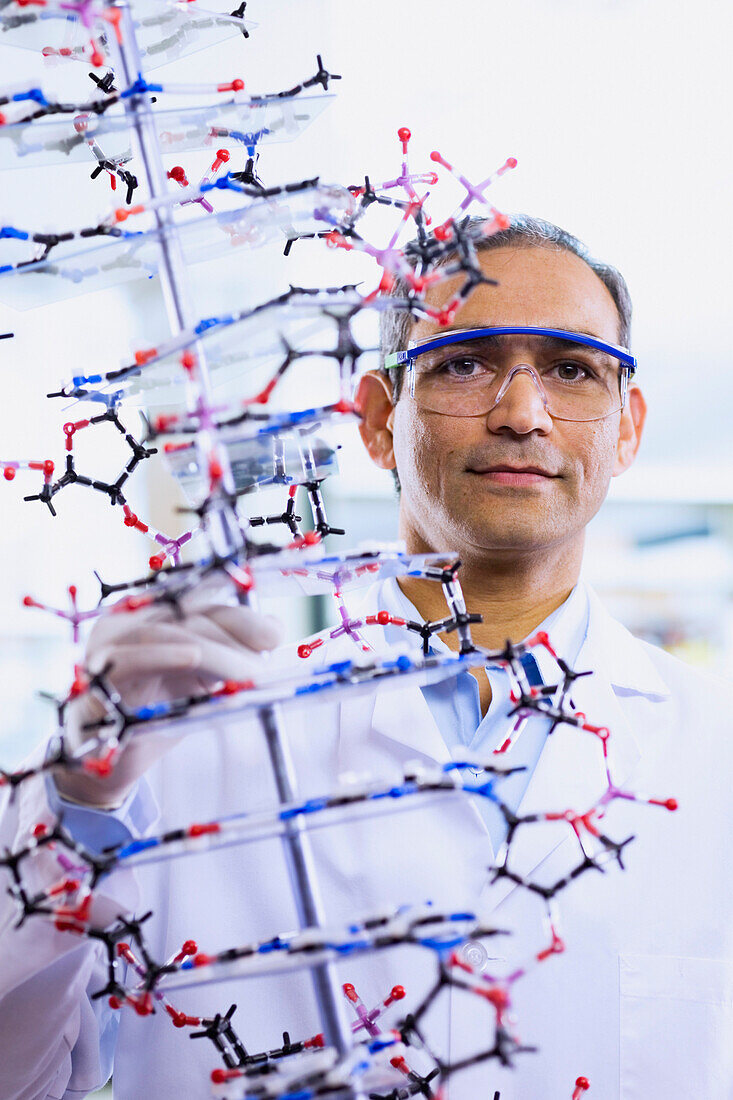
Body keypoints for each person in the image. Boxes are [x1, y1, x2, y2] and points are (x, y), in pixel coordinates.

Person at [1, 216, 730, 1100]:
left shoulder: (712, 755)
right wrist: (72, 808)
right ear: (380, 421)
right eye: (464, 362)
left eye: (571, 369)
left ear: (625, 427)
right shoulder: (182, 741)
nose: (521, 413)